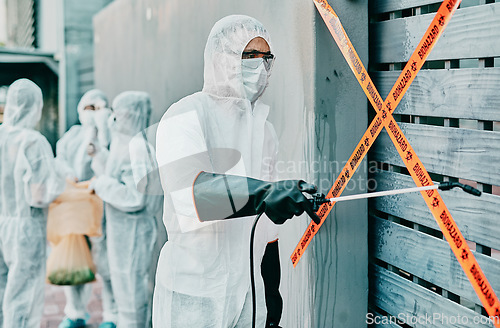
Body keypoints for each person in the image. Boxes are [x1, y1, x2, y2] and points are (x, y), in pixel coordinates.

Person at [153, 15, 319, 328]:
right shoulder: (186, 115)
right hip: (194, 295)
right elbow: (192, 195)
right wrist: (267, 193)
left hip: (249, 295)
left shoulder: (263, 130)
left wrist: (272, 293)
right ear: (220, 59)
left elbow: (267, 229)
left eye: (265, 57)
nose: (260, 66)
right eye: (249, 56)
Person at [90, 91, 162, 327]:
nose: (113, 117)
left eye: (118, 112)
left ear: (131, 115)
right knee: (126, 294)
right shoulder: (126, 145)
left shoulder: (138, 148)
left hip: (133, 235)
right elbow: (117, 175)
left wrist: (102, 184)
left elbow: (135, 197)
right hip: (123, 233)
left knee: (132, 295)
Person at [0, 78, 66, 327]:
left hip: (2, 222)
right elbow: (40, 195)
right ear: (34, 106)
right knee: (23, 297)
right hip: (25, 230)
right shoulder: (32, 141)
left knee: (3, 289)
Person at [56, 89, 117, 328]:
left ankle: (112, 315)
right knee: (75, 260)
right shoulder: (72, 135)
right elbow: (59, 158)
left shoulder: (110, 135)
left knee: (107, 264)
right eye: (88, 108)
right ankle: (75, 313)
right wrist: (66, 173)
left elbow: (112, 165)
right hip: (75, 206)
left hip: (101, 207)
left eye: (97, 108)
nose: (92, 114)